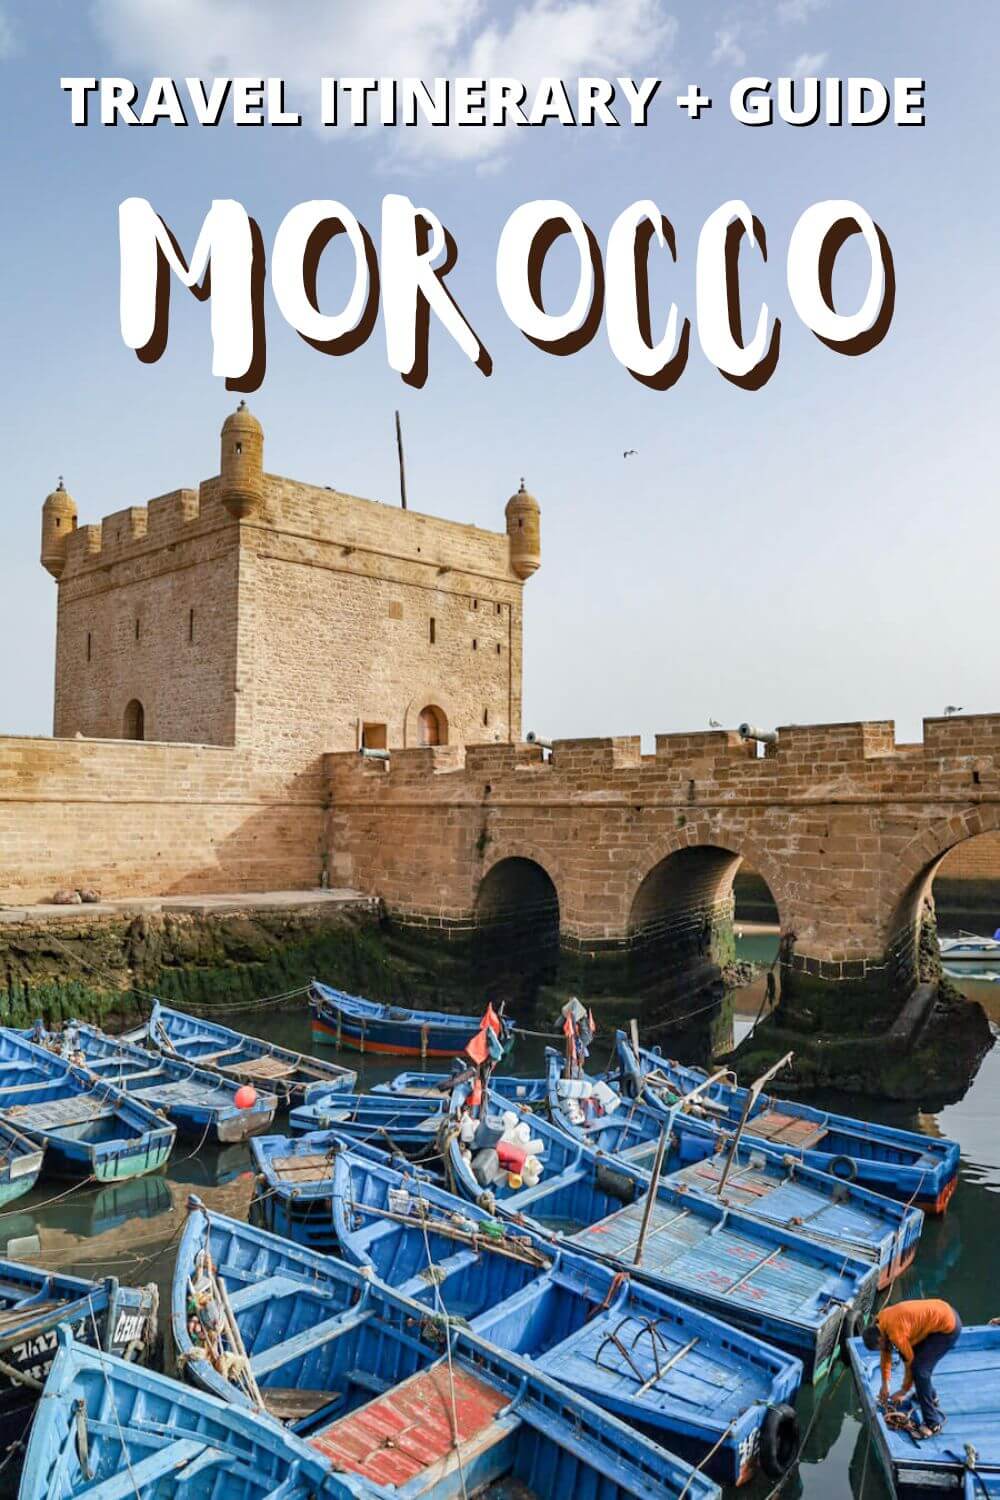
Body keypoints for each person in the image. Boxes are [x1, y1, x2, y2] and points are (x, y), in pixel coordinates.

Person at [862, 1299, 962, 1437]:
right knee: (920, 1365)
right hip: (936, 1316)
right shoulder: (881, 1322)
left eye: (880, 1346)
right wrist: (885, 1384)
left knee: (920, 1370)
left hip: (948, 1327)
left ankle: (933, 1424)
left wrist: (903, 1390)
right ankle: (930, 1396)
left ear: (880, 1340)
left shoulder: (895, 1332)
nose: (884, 1349)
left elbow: (909, 1363)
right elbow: (885, 1354)